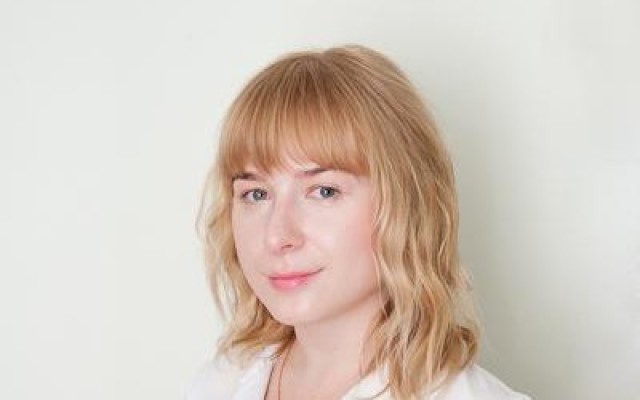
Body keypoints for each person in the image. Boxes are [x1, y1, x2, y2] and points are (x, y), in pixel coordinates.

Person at [189, 45, 530, 399]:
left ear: (404, 203)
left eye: (324, 191)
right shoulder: (219, 384)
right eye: (256, 194)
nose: (277, 236)